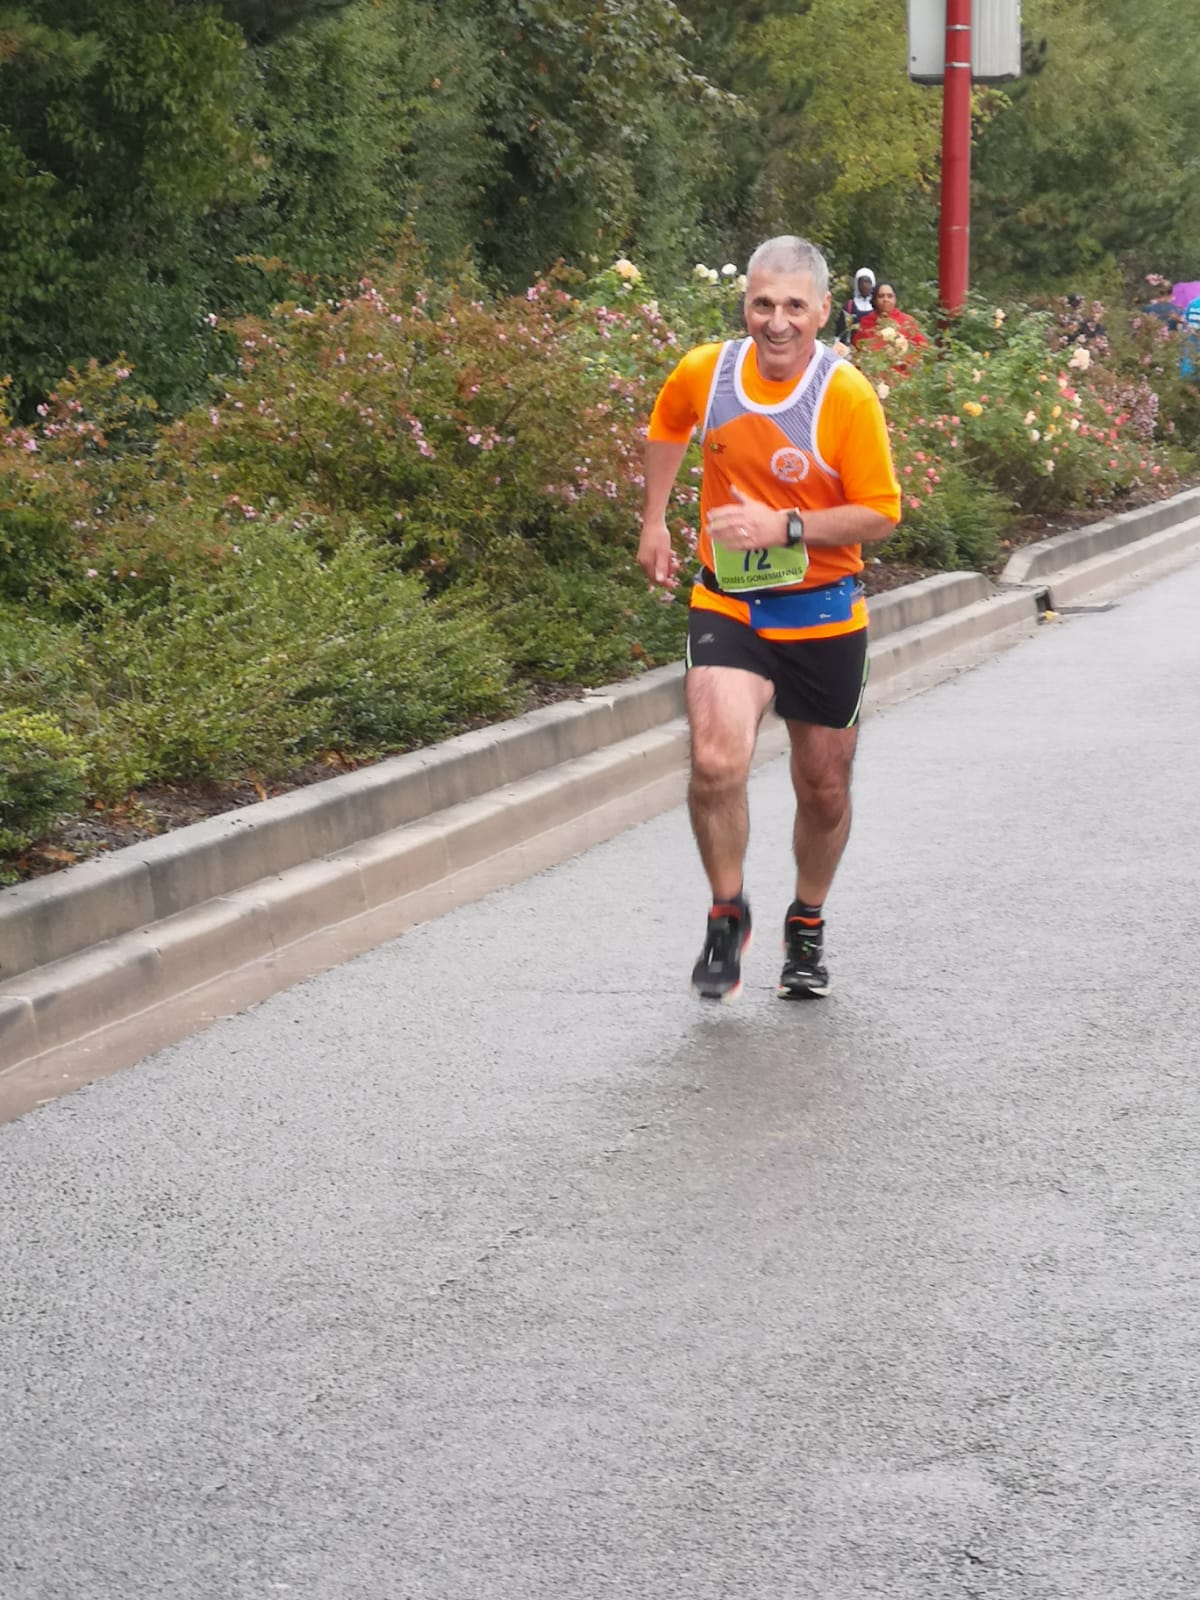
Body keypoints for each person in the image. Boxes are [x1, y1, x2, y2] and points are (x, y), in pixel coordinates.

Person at [637, 235, 901, 1002]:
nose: (776, 322)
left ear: (823, 311)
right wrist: (654, 521)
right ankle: (728, 911)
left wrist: (786, 527)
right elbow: (667, 425)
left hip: (822, 610)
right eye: (762, 304)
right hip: (731, 601)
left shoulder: (844, 394)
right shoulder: (706, 372)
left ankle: (807, 925)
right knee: (717, 761)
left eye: (793, 306)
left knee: (824, 786)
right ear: (744, 305)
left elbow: (881, 513)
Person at [851, 282, 929, 366]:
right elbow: (856, 352)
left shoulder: (907, 321)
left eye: (890, 296)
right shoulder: (866, 322)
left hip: (902, 374)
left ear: (895, 299)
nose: (886, 299)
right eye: (881, 296)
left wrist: (904, 358)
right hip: (873, 374)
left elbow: (922, 348)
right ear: (875, 300)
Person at [833, 266, 877, 345]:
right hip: (853, 350)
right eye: (862, 282)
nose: (864, 285)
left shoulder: (878, 306)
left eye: (867, 282)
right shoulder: (850, 306)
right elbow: (840, 332)